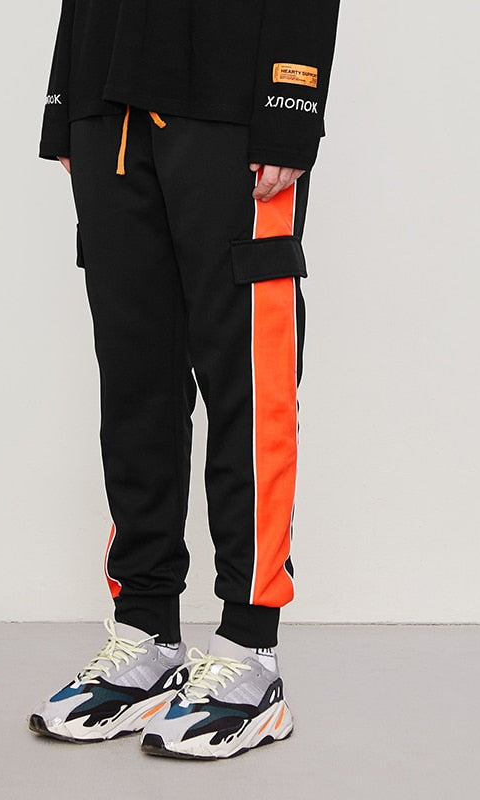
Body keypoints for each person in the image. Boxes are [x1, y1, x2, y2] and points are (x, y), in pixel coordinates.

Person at [28, 0, 342, 760]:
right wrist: (65, 101)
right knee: (135, 384)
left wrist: (291, 105)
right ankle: (145, 636)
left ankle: (250, 653)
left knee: (247, 382)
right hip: (108, 103)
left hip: (231, 104)